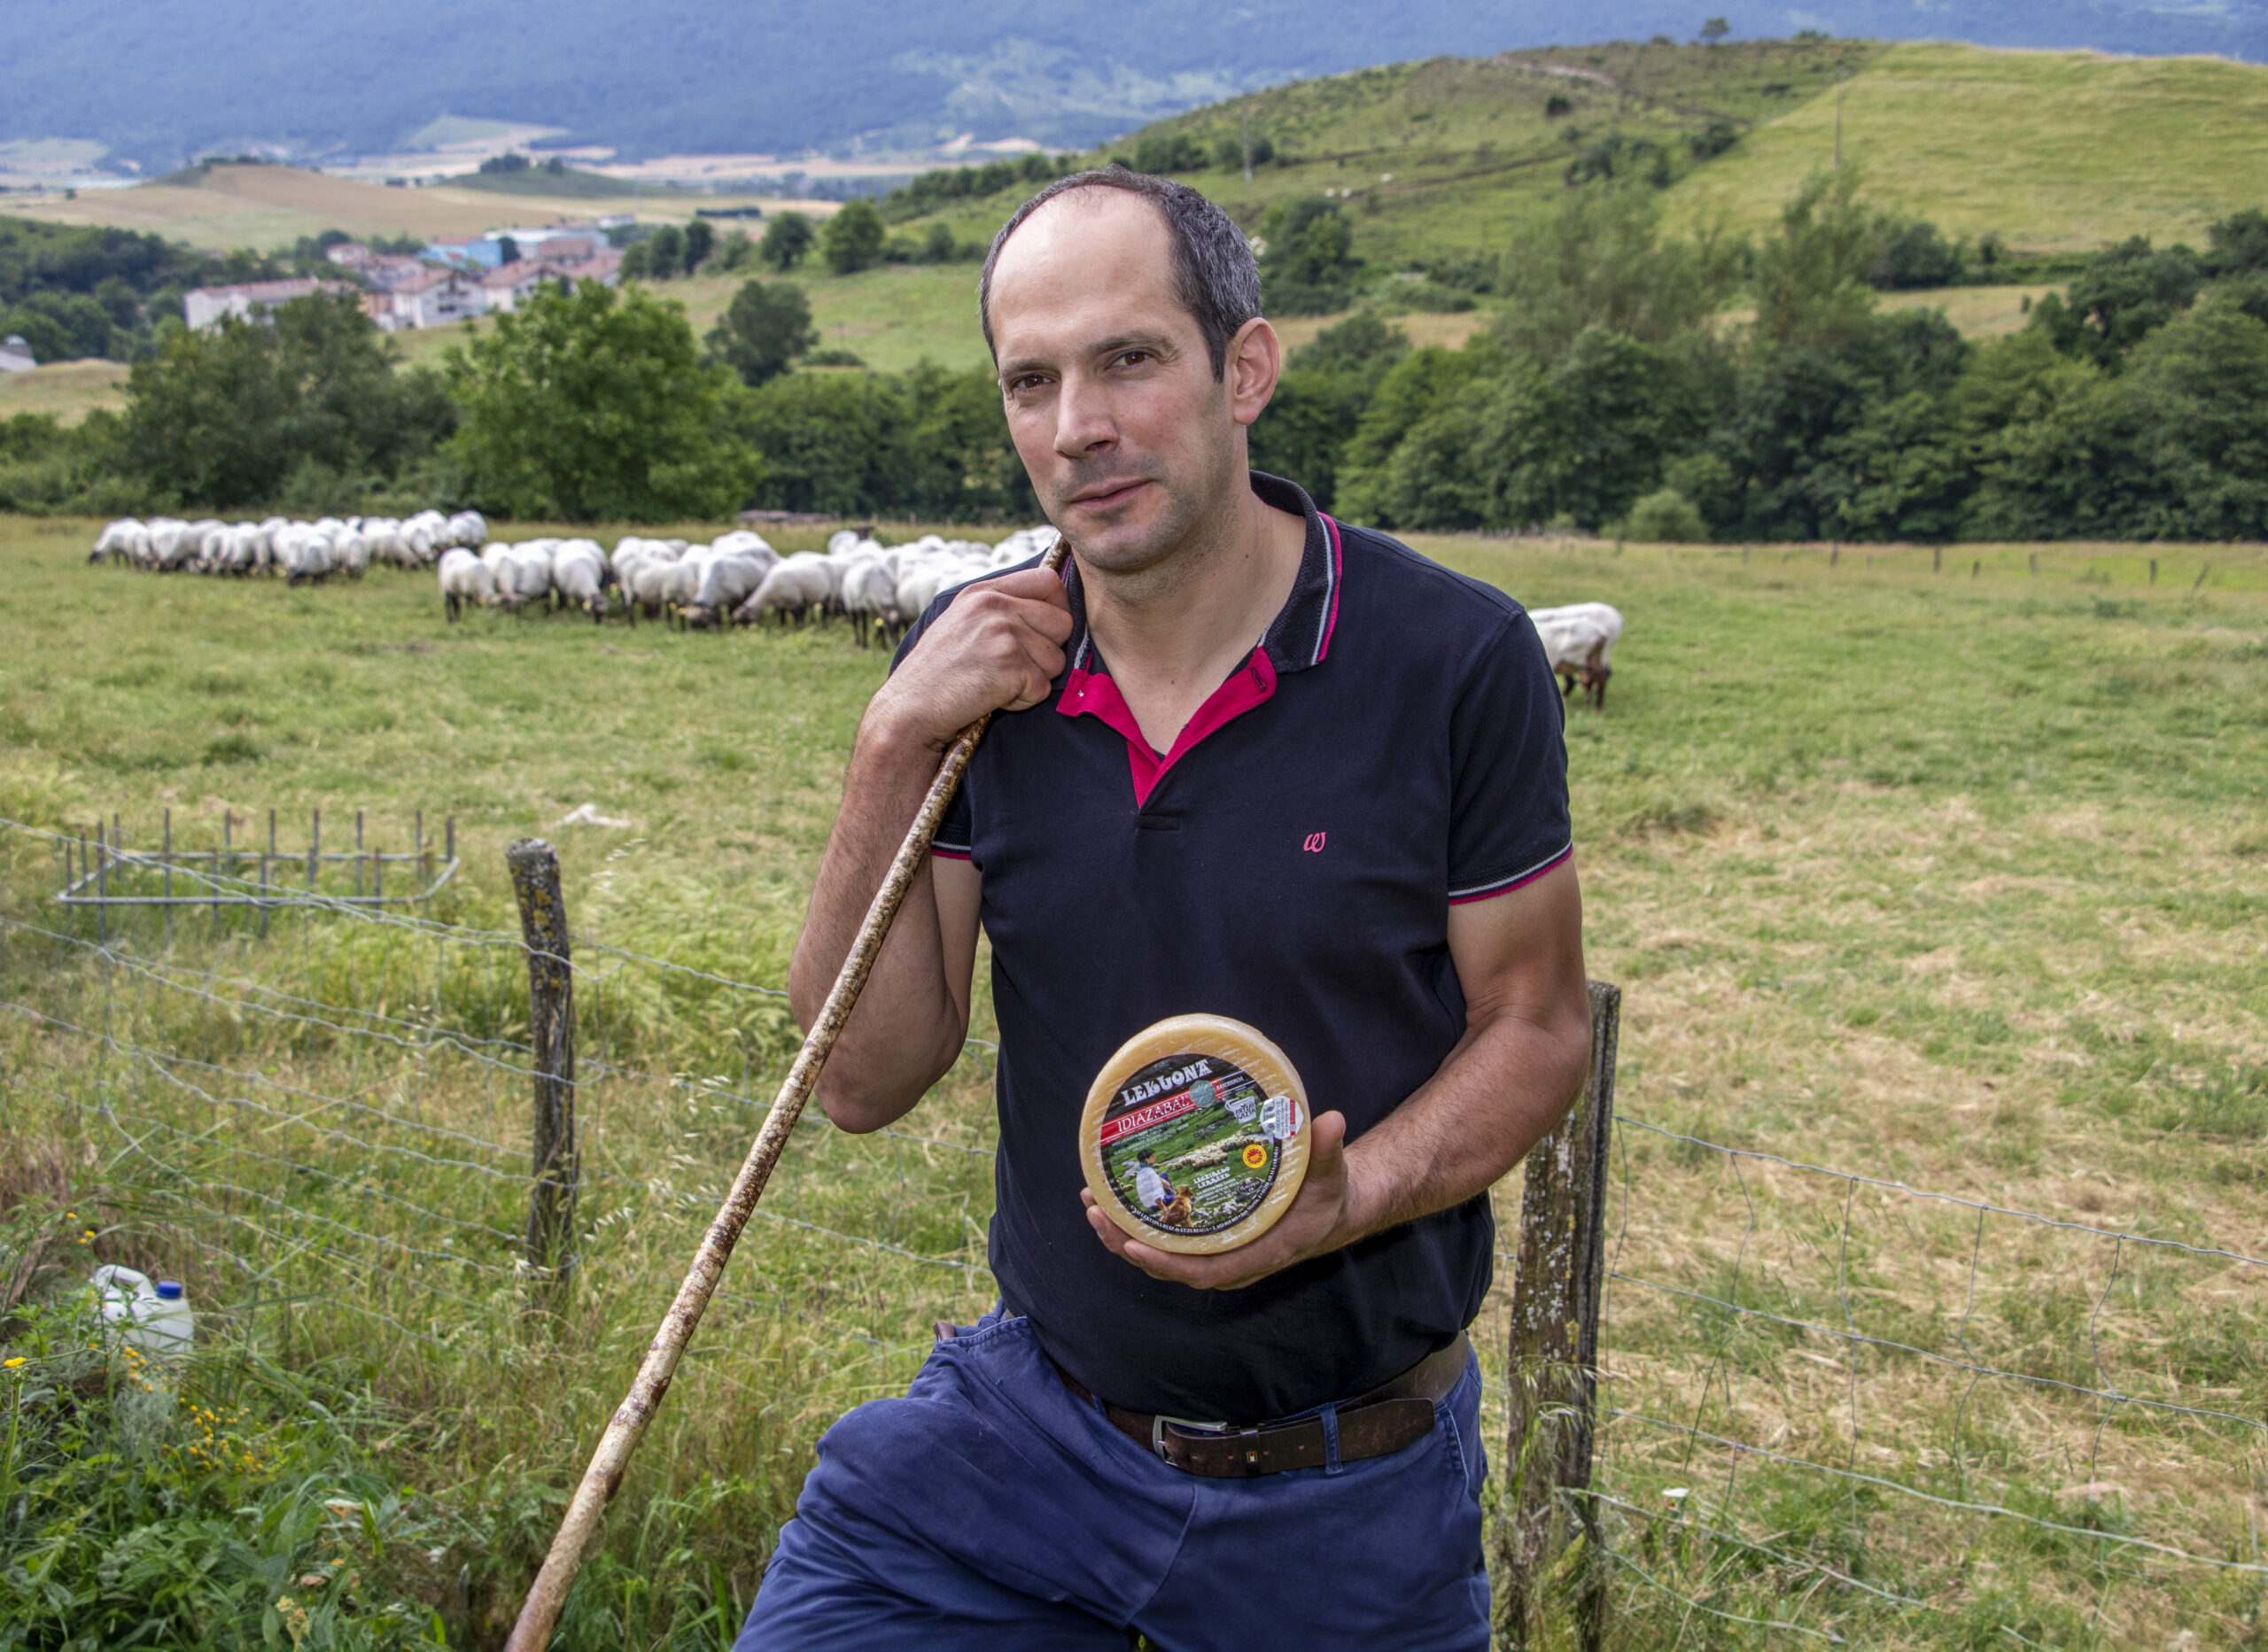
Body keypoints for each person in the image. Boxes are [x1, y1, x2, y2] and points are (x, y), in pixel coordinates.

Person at [738, 167, 1593, 1652]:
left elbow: (1534, 1026)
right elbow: (867, 1083)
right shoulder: (981, 664)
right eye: (1031, 381)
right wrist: (890, 745)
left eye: (1129, 359)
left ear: (1242, 370)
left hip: (1344, 1497)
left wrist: (1353, 1196)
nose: (1078, 427)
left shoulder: (1454, 660)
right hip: (1022, 1448)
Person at [1131, 1148, 1174, 1214]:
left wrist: (1163, 1181)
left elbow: (1152, 1179)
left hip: (1147, 1201)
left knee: (1164, 1175)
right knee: (1190, 1199)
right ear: (1147, 1159)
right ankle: (1170, 1199)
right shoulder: (1150, 1172)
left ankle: (1171, 1195)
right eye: (1152, 1156)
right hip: (1155, 1204)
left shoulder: (1141, 1170)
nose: (1155, 1157)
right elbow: (1155, 1195)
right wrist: (1165, 1210)